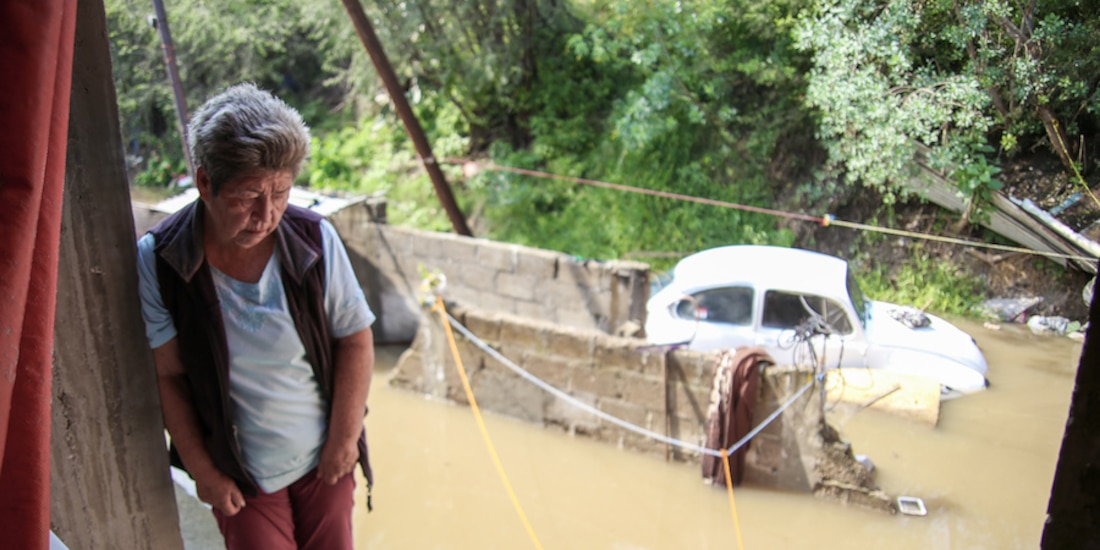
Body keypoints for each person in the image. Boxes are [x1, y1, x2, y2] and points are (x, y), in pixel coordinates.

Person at [136, 83, 375, 550]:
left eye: (281, 193)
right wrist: (203, 471)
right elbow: (169, 376)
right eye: (247, 196)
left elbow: (355, 339)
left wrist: (345, 440)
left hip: (323, 455)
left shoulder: (313, 239)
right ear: (205, 183)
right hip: (240, 473)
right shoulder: (162, 260)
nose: (266, 215)